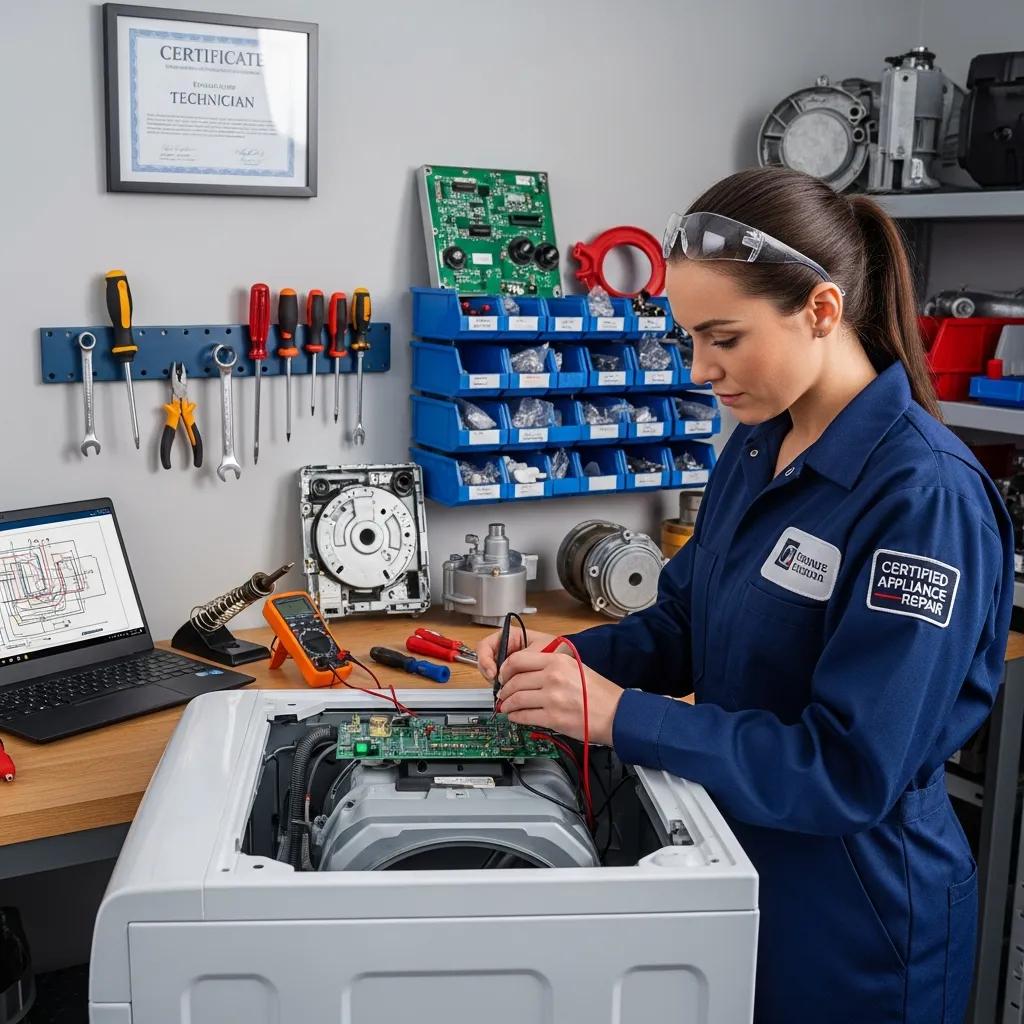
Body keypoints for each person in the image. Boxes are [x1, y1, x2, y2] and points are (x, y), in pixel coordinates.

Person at [476, 166, 1015, 1024]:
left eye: (723, 338)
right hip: (737, 856)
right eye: (689, 338)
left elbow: (848, 769)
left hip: (857, 920)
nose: (701, 369)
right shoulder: (760, 444)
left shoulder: (924, 496)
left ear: (822, 311)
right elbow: (691, 619)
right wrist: (566, 663)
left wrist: (623, 717)